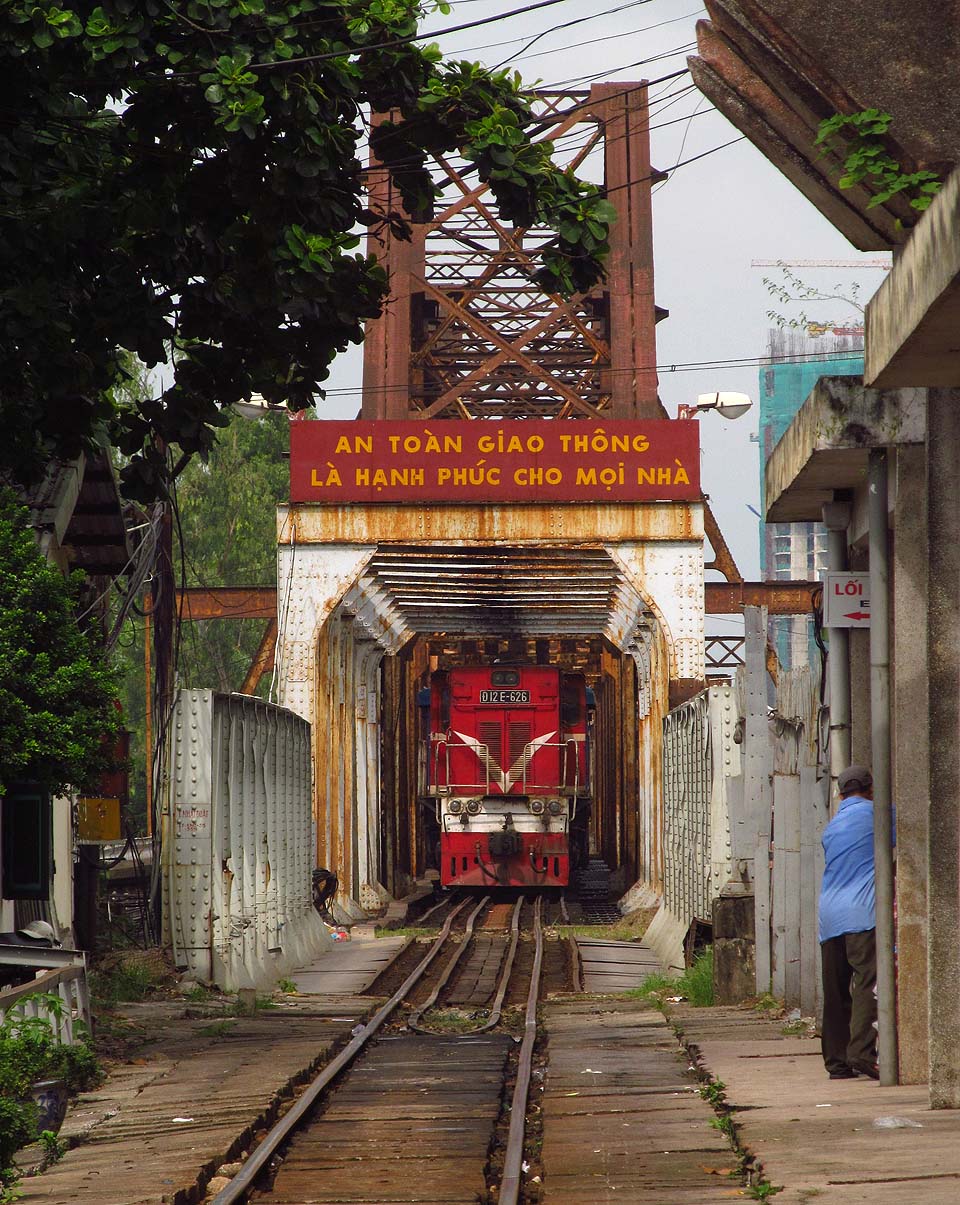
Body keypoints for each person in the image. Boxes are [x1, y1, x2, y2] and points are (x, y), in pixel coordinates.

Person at [818, 764, 880, 1080]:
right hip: (862, 913)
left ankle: (837, 1063)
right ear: (871, 789)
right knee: (869, 981)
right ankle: (862, 1054)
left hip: (829, 916)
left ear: (840, 793)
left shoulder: (831, 827)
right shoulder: (878, 815)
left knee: (836, 990)